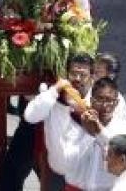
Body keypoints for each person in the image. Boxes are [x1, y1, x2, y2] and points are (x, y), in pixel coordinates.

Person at [23, 53, 95, 189]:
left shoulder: (99, 99)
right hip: (57, 173)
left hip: (86, 176)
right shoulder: (53, 96)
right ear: (66, 74)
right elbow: (30, 116)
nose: (77, 79)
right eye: (73, 73)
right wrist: (55, 89)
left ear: (92, 77)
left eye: (83, 75)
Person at [62, 77, 126, 191]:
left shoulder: (125, 128)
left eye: (110, 100)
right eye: (100, 99)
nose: (104, 105)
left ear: (116, 103)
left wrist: (98, 131)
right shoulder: (76, 124)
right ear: (91, 100)